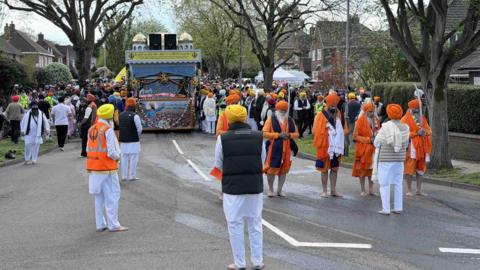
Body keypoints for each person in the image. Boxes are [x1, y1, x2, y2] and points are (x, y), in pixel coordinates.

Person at [210, 105, 265, 270]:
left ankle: (240, 263)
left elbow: (218, 164)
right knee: (255, 223)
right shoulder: (258, 136)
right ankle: (257, 261)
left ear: (228, 118)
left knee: (235, 224)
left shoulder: (223, 138)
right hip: (254, 186)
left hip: (233, 188)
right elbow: (262, 160)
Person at [86, 104, 128, 232]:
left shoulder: (92, 128)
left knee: (99, 197)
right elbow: (111, 152)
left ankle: (100, 224)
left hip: (94, 167)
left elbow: (88, 149)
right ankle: (113, 224)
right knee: (113, 195)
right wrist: (118, 158)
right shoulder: (107, 129)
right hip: (107, 167)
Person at [372, 104, 410, 215]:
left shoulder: (385, 127)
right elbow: (406, 143)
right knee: (398, 184)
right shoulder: (406, 128)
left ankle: (386, 208)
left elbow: (376, 143)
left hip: (386, 159)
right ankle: (398, 207)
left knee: (384, 184)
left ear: (389, 114)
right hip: (399, 159)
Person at [312, 93, 347, 197]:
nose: (334, 107)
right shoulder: (320, 115)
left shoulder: (339, 113)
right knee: (324, 170)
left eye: (335, 105)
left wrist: (339, 133)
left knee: (335, 169)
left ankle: (333, 190)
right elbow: (314, 130)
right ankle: (324, 190)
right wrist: (327, 130)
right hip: (325, 146)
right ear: (328, 104)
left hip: (336, 147)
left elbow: (345, 129)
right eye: (332, 105)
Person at [262, 100, 299, 197]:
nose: (283, 112)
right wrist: (278, 135)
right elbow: (264, 133)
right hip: (274, 148)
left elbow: (296, 134)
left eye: (284, 110)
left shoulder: (290, 120)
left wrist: (289, 135)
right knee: (271, 170)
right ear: (277, 110)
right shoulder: (271, 119)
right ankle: (270, 190)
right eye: (281, 110)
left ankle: (279, 190)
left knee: (284, 170)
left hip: (287, 149)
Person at [401, 99, 432, 196]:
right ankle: (409, 190)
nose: (417, 111)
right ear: (411, 108)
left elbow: (429, 130)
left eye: (418, 109)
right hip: (411, 148)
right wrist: (416, 133)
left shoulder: (422, 118)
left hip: (422, 147)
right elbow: (402, 134)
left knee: (421, 168)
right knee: (409, 168)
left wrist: (425, 132)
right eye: (416, 109)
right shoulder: (404, 119)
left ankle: (419, 190)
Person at [352, 102, 378, 196]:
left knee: (372, 170)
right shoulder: (360, 121)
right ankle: (363, 189)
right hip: (362, 149)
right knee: (362, 170)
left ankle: (371, 189)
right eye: (370, 111)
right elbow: (355, 137)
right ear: (366, 111)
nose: (372, 113)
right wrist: (368, 140)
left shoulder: (376, 120)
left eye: (373, 111)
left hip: (373, 150)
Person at [119, 98, 143, 181]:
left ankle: (124, 176)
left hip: (123, 140)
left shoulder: (120, 115)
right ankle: (132, 175)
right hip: (134, 140)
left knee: (124, 158)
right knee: (134, 159)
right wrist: (138, 136)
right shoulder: (135, 116)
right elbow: (139, 129)